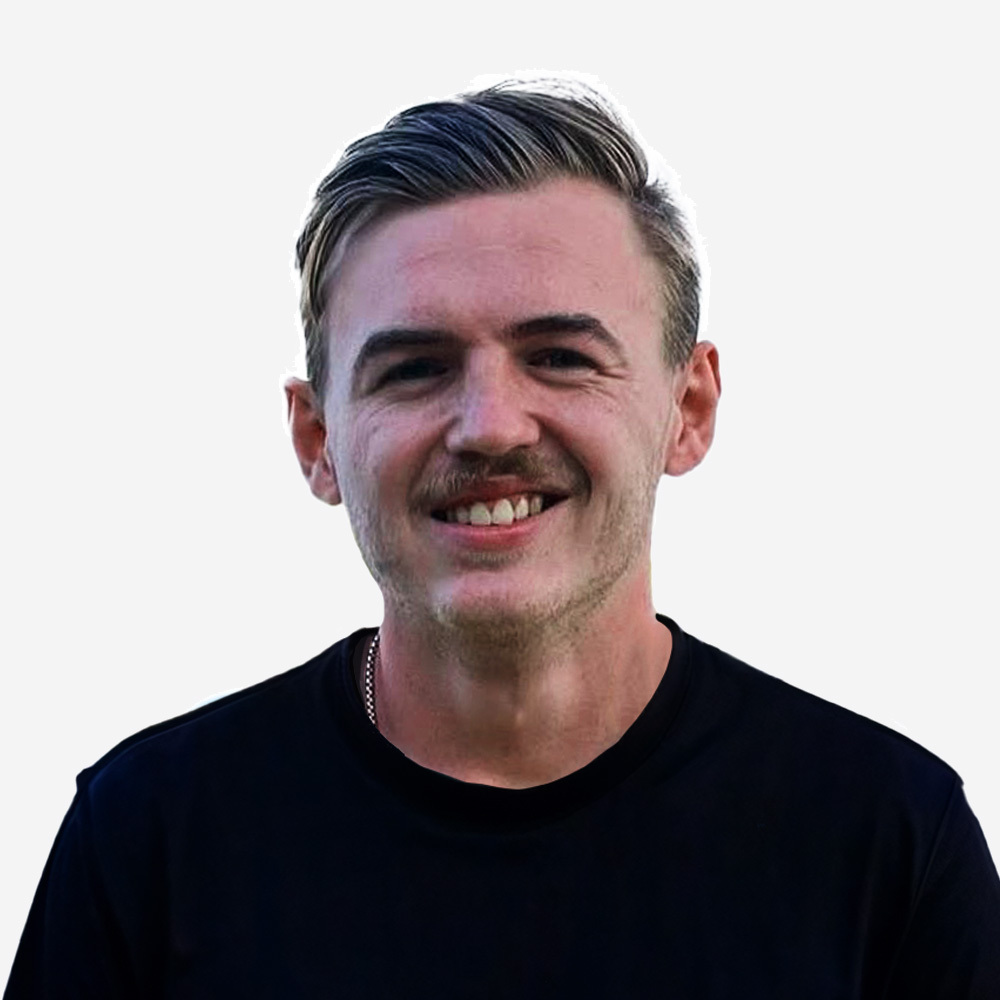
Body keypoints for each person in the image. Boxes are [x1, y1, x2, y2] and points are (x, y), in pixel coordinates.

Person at [6, 79, 1000, 998]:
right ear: (317, 440)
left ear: (687, 409)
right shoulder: (146, 843)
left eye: (560, 356)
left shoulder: (887, 842)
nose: (488, 426)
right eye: (414, 368)